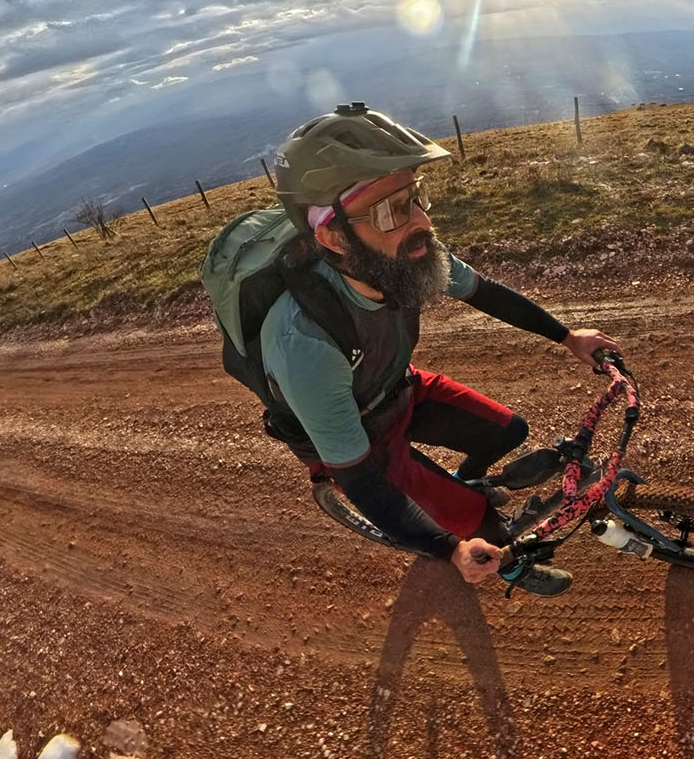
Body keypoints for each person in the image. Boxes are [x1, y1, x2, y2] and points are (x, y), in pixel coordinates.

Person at [262, 103, 620, 596]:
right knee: (483, 525)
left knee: (509, 431)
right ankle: (506, 563)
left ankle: (461, 488)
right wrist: (451, 549)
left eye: (416, 196)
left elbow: (485, 292)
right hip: (360, 437)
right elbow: (362, 481)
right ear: (334, 237)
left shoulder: (400, 256)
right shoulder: (306, 344)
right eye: (391, 210)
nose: (422, 221)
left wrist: (568, 337)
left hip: (399, 387)